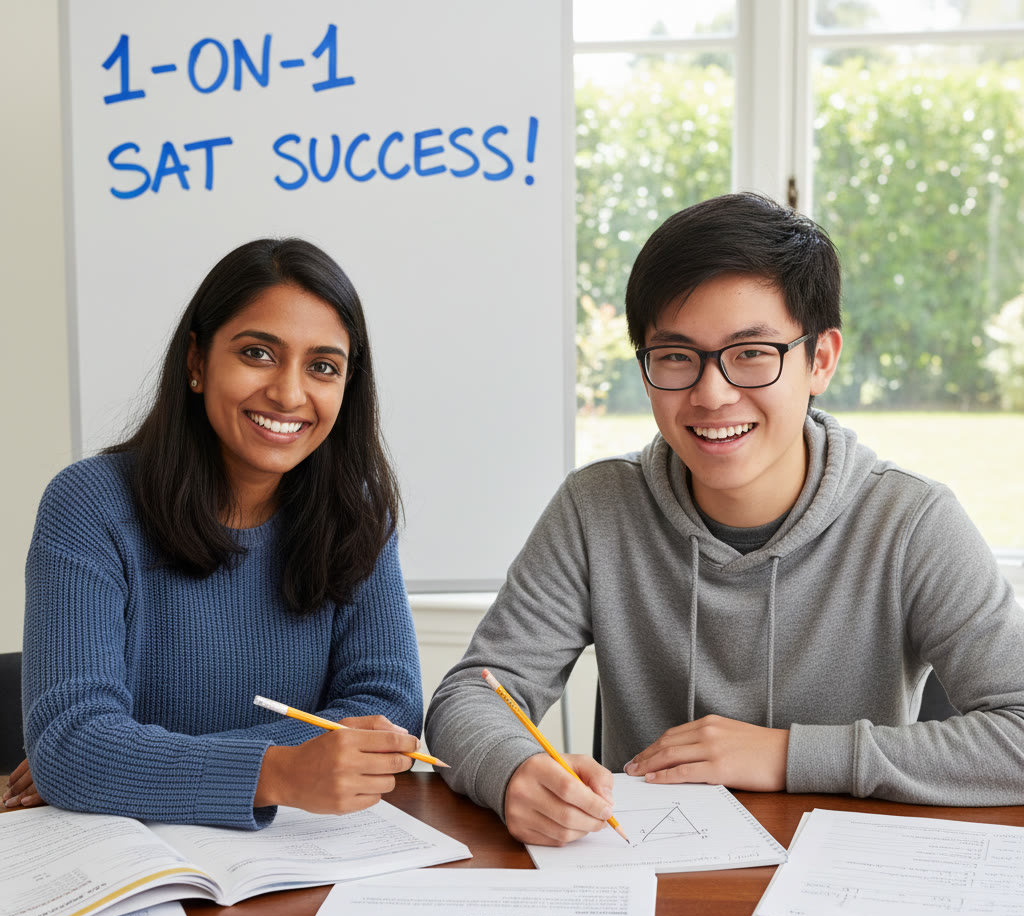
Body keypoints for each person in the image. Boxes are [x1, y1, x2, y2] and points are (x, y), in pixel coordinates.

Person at [424, 192, 1024, 847]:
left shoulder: (911, 523)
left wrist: (783, 755)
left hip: (844, 882)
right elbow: (471, 697)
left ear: (820, 359)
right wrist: (513, 771)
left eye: (751, 354)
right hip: (648, 879)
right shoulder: (596, 509)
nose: (711, 394)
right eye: (677, 357)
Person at [4, 238, 423, 828]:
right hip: (133, 859)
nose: (289, 393)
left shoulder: (356, 512)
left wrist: (127, 757)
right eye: (257, 353)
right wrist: (276, 770)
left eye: (323, 366)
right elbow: (73, 748)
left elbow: (387, 712)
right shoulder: (89, 505)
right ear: (197, 363)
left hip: (300, 856)